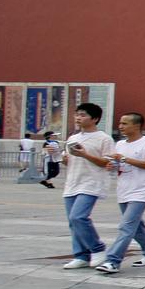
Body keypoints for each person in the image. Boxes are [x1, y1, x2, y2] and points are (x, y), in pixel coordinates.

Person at [97, 112, 145, 273]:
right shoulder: (119, 145)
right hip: (125, 189)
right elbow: (118, 165)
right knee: (136, 226)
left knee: (126, 226)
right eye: (120, 123)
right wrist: (113, 165)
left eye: (125, 123)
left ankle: (113, 260)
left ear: (137, 125)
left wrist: (124, 159)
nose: (120, 126)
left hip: (143, 190)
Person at [59, 102, 116, 269]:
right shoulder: (73, 138)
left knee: (79, 217)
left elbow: (106, 162)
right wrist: (63, 158)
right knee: (73, 221)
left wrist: (85, 155)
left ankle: (98, 249)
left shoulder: (104, 138)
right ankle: (81, 255)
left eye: (83, 115)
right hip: (72, 182)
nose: (78, 118)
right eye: (77, 114)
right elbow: (67, 160)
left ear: (95, 118)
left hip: (92, 182)